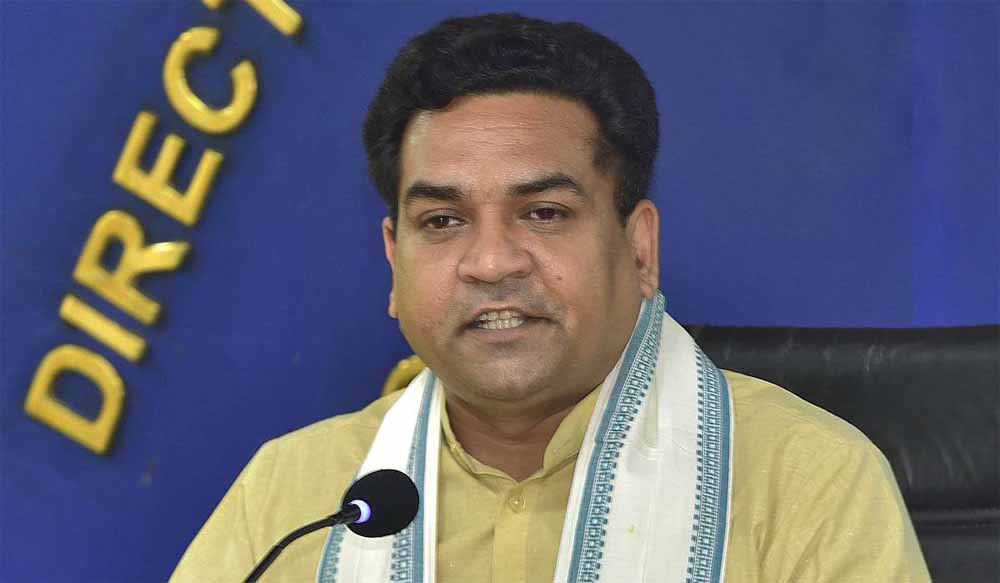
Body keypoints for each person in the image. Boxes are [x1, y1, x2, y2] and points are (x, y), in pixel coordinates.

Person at [171, 13, 930, 583]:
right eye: (443, 222)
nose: (491, 262)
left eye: (543, 213)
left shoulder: (806, 481)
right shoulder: (297, 495)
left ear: (640, 248)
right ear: (395, 261)